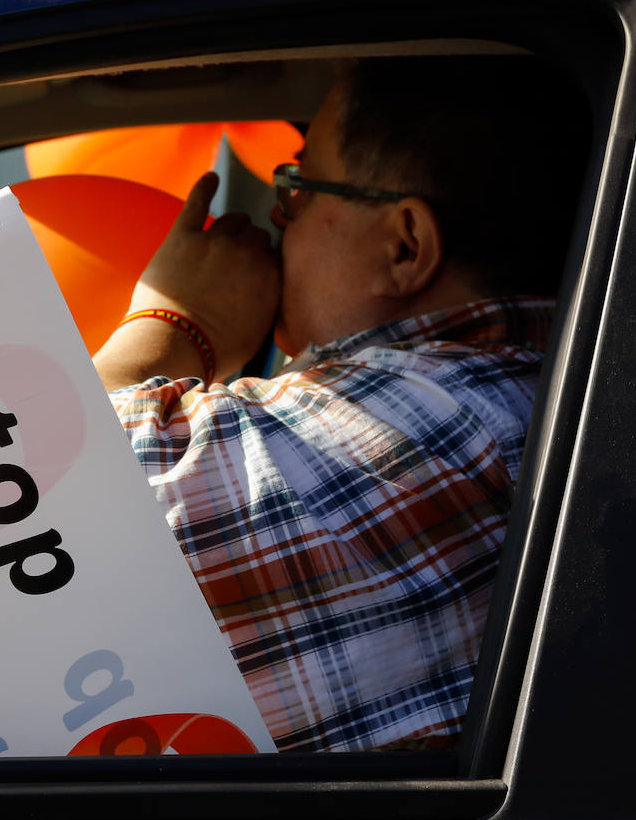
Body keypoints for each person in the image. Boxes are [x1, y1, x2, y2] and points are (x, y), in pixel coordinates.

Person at [92, 56, 590, 753]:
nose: (274, 216)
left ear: (405, 246)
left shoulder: (441, 419)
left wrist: (179, 323)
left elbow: (33, 503)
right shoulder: (524, 395)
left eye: (297, 187)